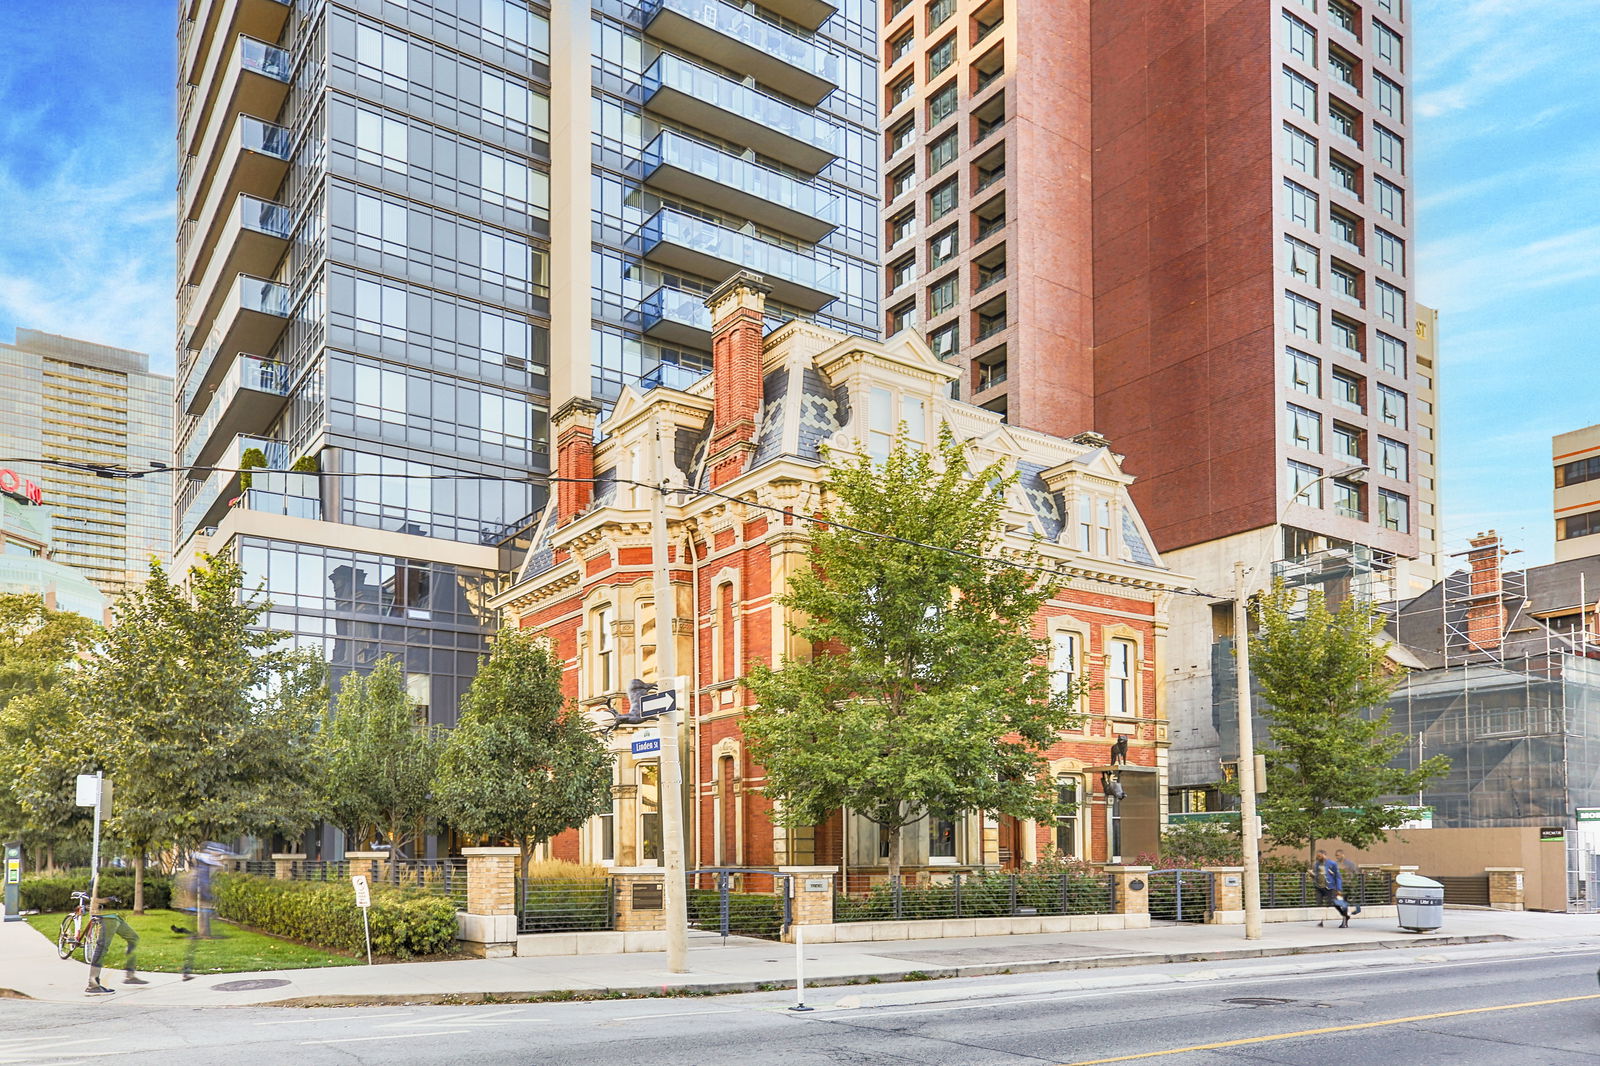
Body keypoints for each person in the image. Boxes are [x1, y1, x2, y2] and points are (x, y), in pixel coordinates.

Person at [85, 896, 145, 994]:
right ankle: (93, 984)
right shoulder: (101, 882)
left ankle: (130, 975)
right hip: (106, 916)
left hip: (115, 916)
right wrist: (106, 900)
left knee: (133, 938)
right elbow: (95, 895)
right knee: (102, 947)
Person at [1335, 849, 1363, 917]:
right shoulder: (1336, 864)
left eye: (1338, 855)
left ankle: (1357, 910)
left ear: (1342, 855)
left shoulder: (1350, 864)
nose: (1337, 857)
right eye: (1336, 855)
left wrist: (1353, 882)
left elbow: (1356, 873)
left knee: (1354, 899)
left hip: (1350, 885)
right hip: (1342, 886)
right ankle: (1345, 918)